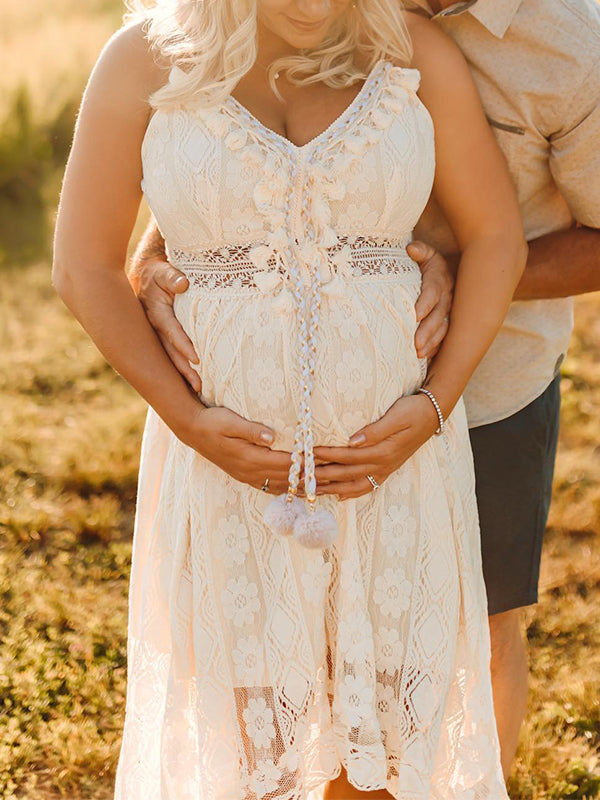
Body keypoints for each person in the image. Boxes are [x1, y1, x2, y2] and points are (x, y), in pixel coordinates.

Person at [53, 1, 527, 798]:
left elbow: (495, 238)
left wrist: (436, 406)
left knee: (383, 749)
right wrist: (190, 421)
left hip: (397, 470)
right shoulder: (142, 60)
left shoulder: (416, 54)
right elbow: (83, 267)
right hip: (230, 479)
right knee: (256, 755)